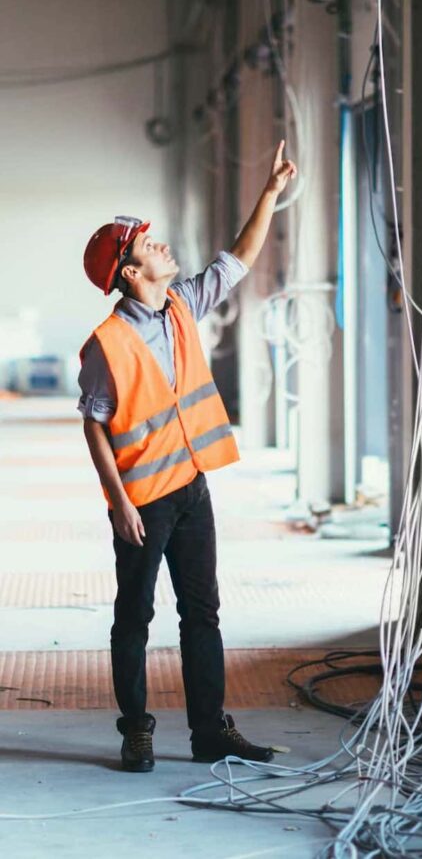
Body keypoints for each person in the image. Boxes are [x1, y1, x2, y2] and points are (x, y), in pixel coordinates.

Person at [78, 141, 297, 773]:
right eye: (149, 245)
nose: (163, 246)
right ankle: (137, 733)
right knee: (134, 619)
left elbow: (240, 258)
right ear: (127, 270)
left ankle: (209, 732)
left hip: (192, 489)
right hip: (142, 504)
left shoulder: (180, 309)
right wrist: (118, 501)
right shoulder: (107, 343)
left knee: (202, 612)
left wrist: (269, 194)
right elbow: (92, 427)